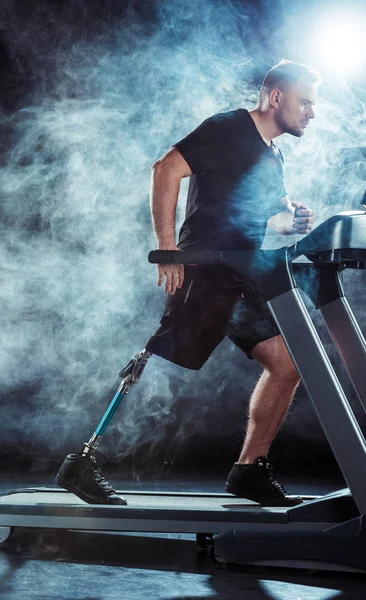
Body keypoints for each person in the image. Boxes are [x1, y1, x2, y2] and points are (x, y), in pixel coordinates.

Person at [56, 59, 319, 506]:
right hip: (203, 271)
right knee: (159, 359)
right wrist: (167, 250)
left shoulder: (272, 154)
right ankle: (81, 463)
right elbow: (165, 169)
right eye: (306, 102)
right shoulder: (228, 129)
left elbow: (261, 216)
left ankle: (249, 471)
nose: (312, 113)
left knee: (288, 364)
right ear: (276, 97)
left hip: (239, 273)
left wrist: (291, 220)